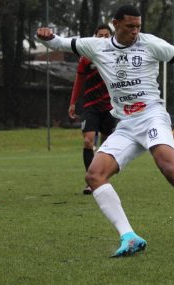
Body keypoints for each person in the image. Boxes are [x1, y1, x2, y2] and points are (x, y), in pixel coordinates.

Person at [36, 4, 174, 257]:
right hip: (125, 125)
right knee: (94, 176)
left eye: (138, 26)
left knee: (168, 166)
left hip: (152, 116)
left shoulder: (150, 43)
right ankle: (129, 236)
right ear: (115, 23)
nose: (135, 31)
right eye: (130, 26)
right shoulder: (97, 46)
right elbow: (59, 43)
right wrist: (45, 37)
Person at [68, 24, 116, 195]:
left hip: (110, 107)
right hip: (90, 106)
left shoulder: (116, 55)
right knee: (88, 141)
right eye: (100, 35)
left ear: (111, 37)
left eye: (106, 35)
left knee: (107, 144)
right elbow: (79, 81)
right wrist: (73, 102)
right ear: (94, 37)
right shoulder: (87, 56)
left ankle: (101, 176)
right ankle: (91, 181)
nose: (103, 38)